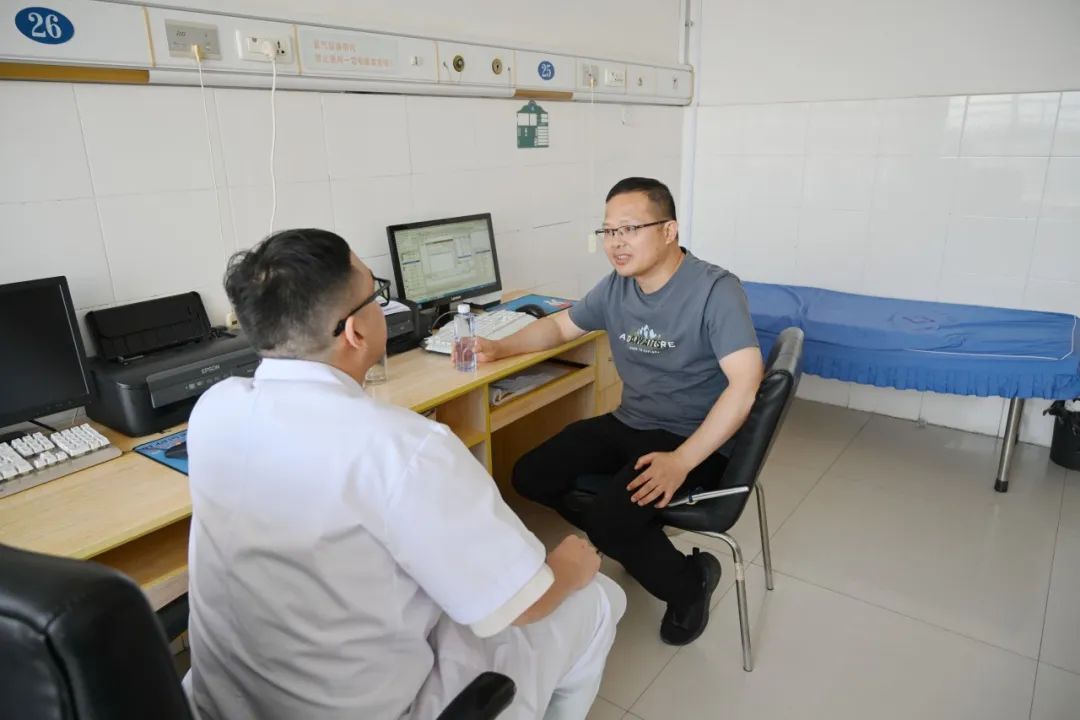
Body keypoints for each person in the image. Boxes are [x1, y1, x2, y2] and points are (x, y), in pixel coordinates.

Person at [184, 229, 626, 720]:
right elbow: (524, 606)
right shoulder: (404, 447)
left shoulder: (214, 409)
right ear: (356, 332)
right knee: (598, 598)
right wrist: (566, 568)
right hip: (370, 710)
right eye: (377, 295)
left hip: (219, 704)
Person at [475, 177, 763, 646]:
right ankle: (635, 540)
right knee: (531, 475)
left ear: (668, 231)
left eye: (630, 229)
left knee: (609, 521)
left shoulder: (716, 290)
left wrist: (682, 461)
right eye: (609, 231)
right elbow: (561, 329)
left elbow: (746, 383)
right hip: (631, 421)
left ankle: (691, 585)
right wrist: (498, 347)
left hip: (694, 439)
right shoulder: (617, 287)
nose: (616, 243)